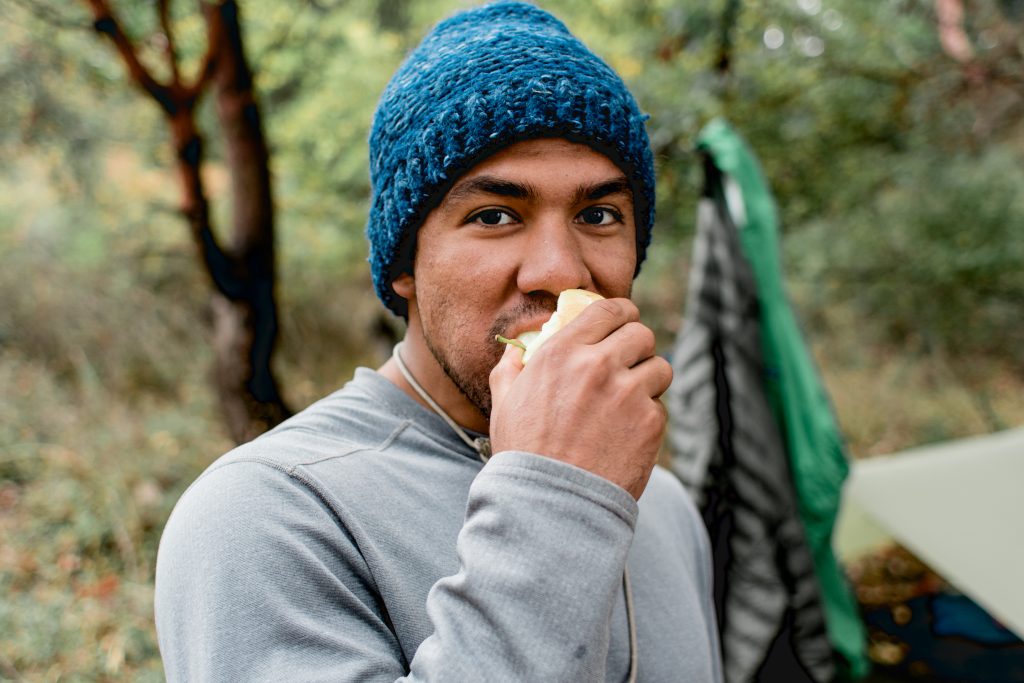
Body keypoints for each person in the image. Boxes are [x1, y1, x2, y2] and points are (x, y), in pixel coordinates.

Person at [154, 2, 723, 681]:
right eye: (494, 215)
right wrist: (558, 498)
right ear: (403, 266)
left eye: (598, 214)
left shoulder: (661, 502)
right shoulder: (265, 513)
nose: (562, 270)